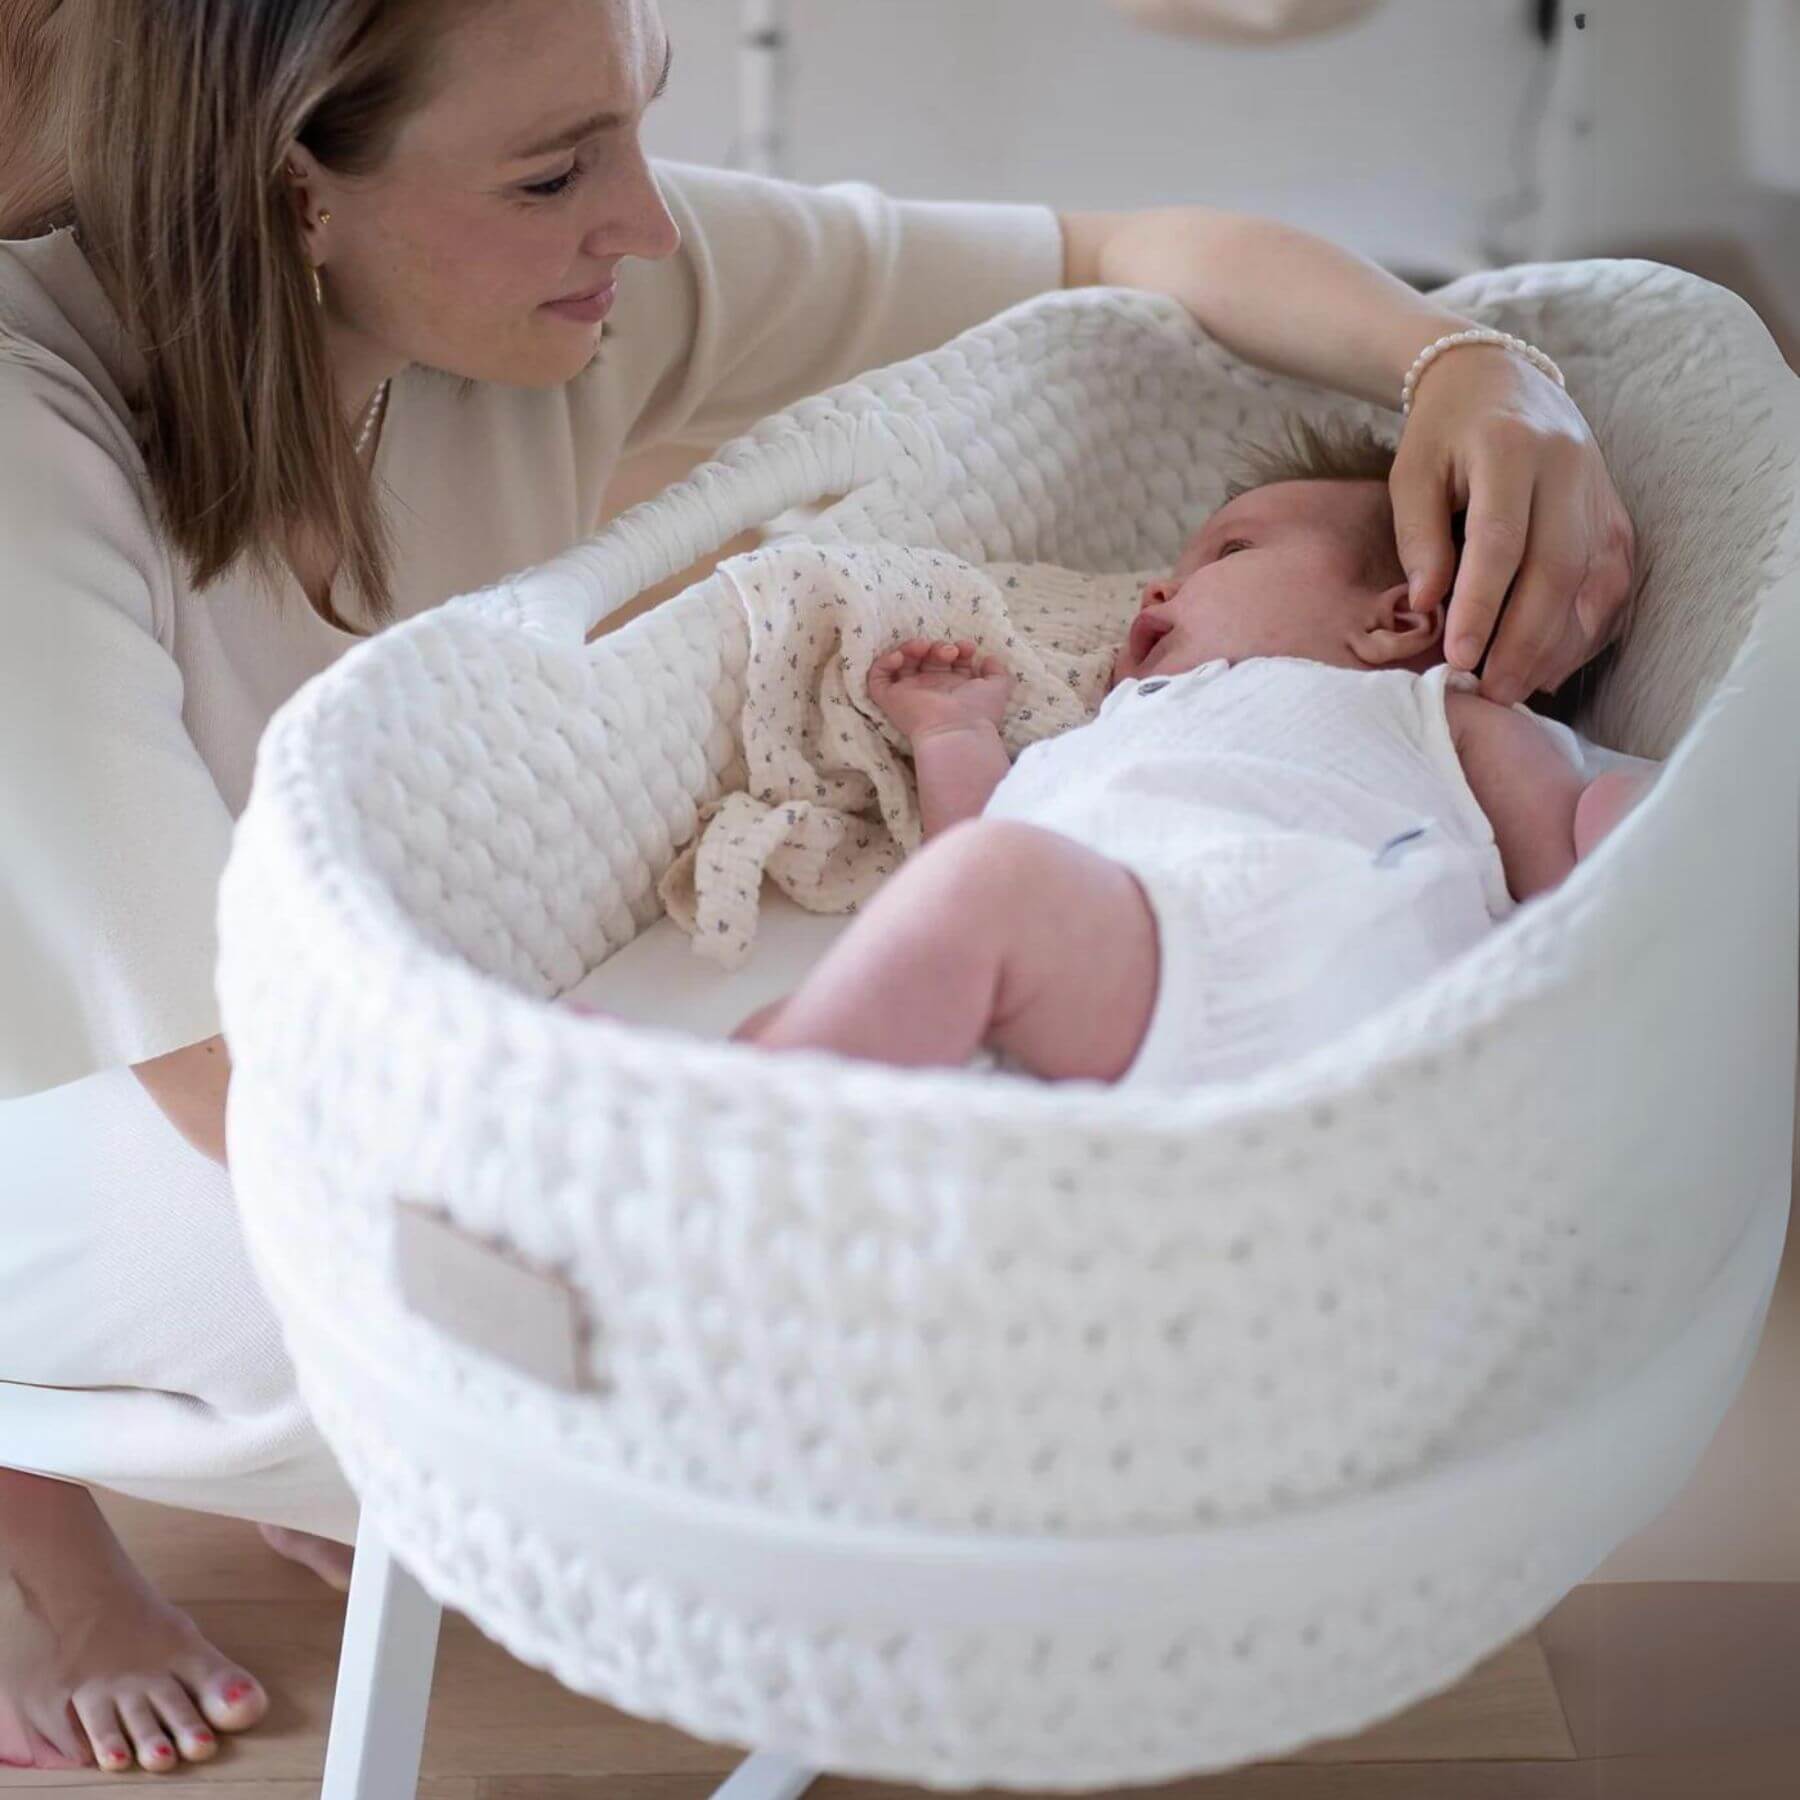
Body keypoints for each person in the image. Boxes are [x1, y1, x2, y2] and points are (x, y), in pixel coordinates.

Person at [0, 0, 1634, 1775]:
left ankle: (373, 1438)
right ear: (291, 192)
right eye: (557, 170)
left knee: (592, 1212)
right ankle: (37, 1513)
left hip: (284, 957)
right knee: (467, 1299)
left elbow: (1133, 257)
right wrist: (661, 1188)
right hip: (72, 1068)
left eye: (633, 127)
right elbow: (211, 1066)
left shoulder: (542, 282)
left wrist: (1473, 368)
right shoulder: (33, 446)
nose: (643, 217)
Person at [734, 425, 1651, 1081]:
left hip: (1288, 965)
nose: (1162, 583)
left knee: (979, 894)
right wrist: (954, 734)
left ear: (1398, 617)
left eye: (1229, 551)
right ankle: (729, 1109)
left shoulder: (1425, 710)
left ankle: (732, 1124)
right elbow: (968, 867)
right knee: (851, 987)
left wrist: (1619, 837)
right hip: (1106, 1006)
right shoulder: (1099, 742)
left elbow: (1577, 877)